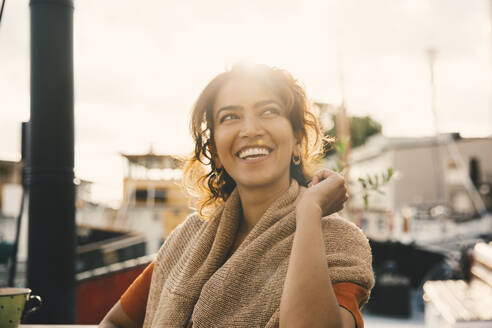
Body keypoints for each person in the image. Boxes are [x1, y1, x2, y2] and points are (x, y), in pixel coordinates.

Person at [99, 63, 374, 328]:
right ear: (215, 152)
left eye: (268, 111)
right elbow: (115, 322)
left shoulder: (339, 243)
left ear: (298, 140)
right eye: (230, 117)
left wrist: (309, 211)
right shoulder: (187, 239)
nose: (250, 130)